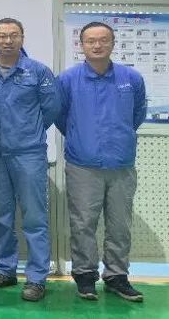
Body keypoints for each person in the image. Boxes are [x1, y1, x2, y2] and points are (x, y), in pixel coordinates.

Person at [56, 21, 146, 302]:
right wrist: (82, 139)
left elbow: (137, 114)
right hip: (82, 164)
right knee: (83, 223)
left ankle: (117, 276)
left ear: (112, 43)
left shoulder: (131, 78)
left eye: (103, 40)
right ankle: (85, 276)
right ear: (81, 45)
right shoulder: (68, 79)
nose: (97, 45)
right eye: (91, 41)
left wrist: (120, 139)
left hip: (121, 163)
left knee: (120, 224)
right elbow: (60, 116)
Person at [0, 17, 61, 302]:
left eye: (14, 35)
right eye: (2, 35)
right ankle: (5, 269)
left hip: (28, 154)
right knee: (1, 215)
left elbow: (52, 109)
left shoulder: (37, 71)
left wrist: (28, 132)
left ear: (22, 38)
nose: (8, 40)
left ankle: (37, 278)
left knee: (35, 217)